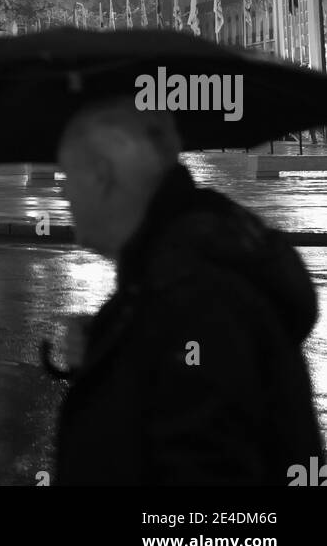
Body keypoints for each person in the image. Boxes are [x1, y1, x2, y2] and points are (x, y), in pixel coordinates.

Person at [49, 99, 324, 485]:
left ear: (101, 174)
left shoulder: (196, 300)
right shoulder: (179, 273)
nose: (63, 197)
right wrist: (111, 347)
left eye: (65, 177)